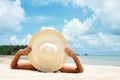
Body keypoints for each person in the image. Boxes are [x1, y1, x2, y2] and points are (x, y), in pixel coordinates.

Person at [10, 46, 84, 73]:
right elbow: (80, 70)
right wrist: (74, 57)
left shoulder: (35, 65)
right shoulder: (58, 67)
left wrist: (19, 53)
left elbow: (13, 66)